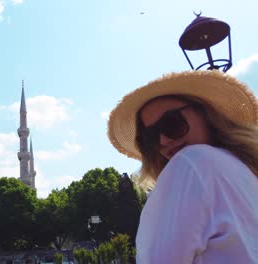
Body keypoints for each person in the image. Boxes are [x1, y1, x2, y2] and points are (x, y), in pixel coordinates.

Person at [107, 70, 258, 263]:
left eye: (171, 123)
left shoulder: (191, 162)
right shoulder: (244, 171)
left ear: (205, 113)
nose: (163, 140)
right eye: (150, 137)